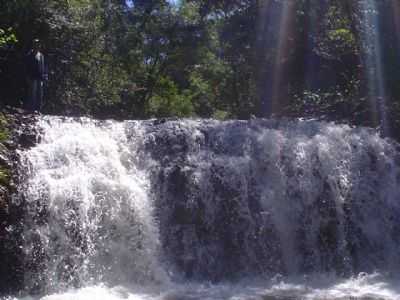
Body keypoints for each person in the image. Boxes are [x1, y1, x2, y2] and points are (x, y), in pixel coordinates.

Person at [25, 39, 46, 112]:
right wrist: (27, 76)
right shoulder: (29, 54)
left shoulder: (41, 55)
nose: (37, 45)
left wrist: (44, 76)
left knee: (40, 94)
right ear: (33, 45)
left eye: (38, 44)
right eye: (36, 44)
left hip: (40, 77)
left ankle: (38, 109)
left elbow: (43, 66)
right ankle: (31, 109)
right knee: (32, 93)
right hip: (32, 76)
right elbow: (27, 66)